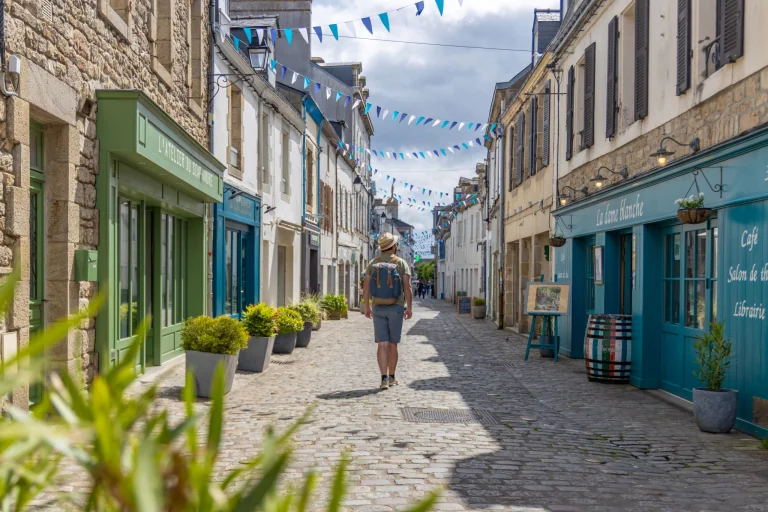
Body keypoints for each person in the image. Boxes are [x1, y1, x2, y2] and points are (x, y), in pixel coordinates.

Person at [363, 232, 413, 390]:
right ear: (394, 246)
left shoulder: (373, 263)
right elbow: (407, 287)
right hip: (396, 307)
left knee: (381, 344)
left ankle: (383, 378)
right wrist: (409, 307)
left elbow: (366, 286)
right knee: (393, 345)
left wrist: (367, 306)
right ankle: (392, 377)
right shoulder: (401, 263)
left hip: (378, 307)